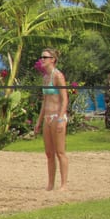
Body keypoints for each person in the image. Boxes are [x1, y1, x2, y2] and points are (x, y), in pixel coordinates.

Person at [34, 47, 69, 191]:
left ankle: (64, 184)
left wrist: (61, 118)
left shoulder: (58, 76)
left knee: (60, 152)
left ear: (53, 60)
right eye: (41, 57)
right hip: (47, 116)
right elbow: (44, 101)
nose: (42, 59)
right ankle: (50, 184)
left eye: (45, 57)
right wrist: (39, 121)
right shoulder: (45, 78)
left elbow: (64, 99)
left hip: (57, 116)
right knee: (49, 153)